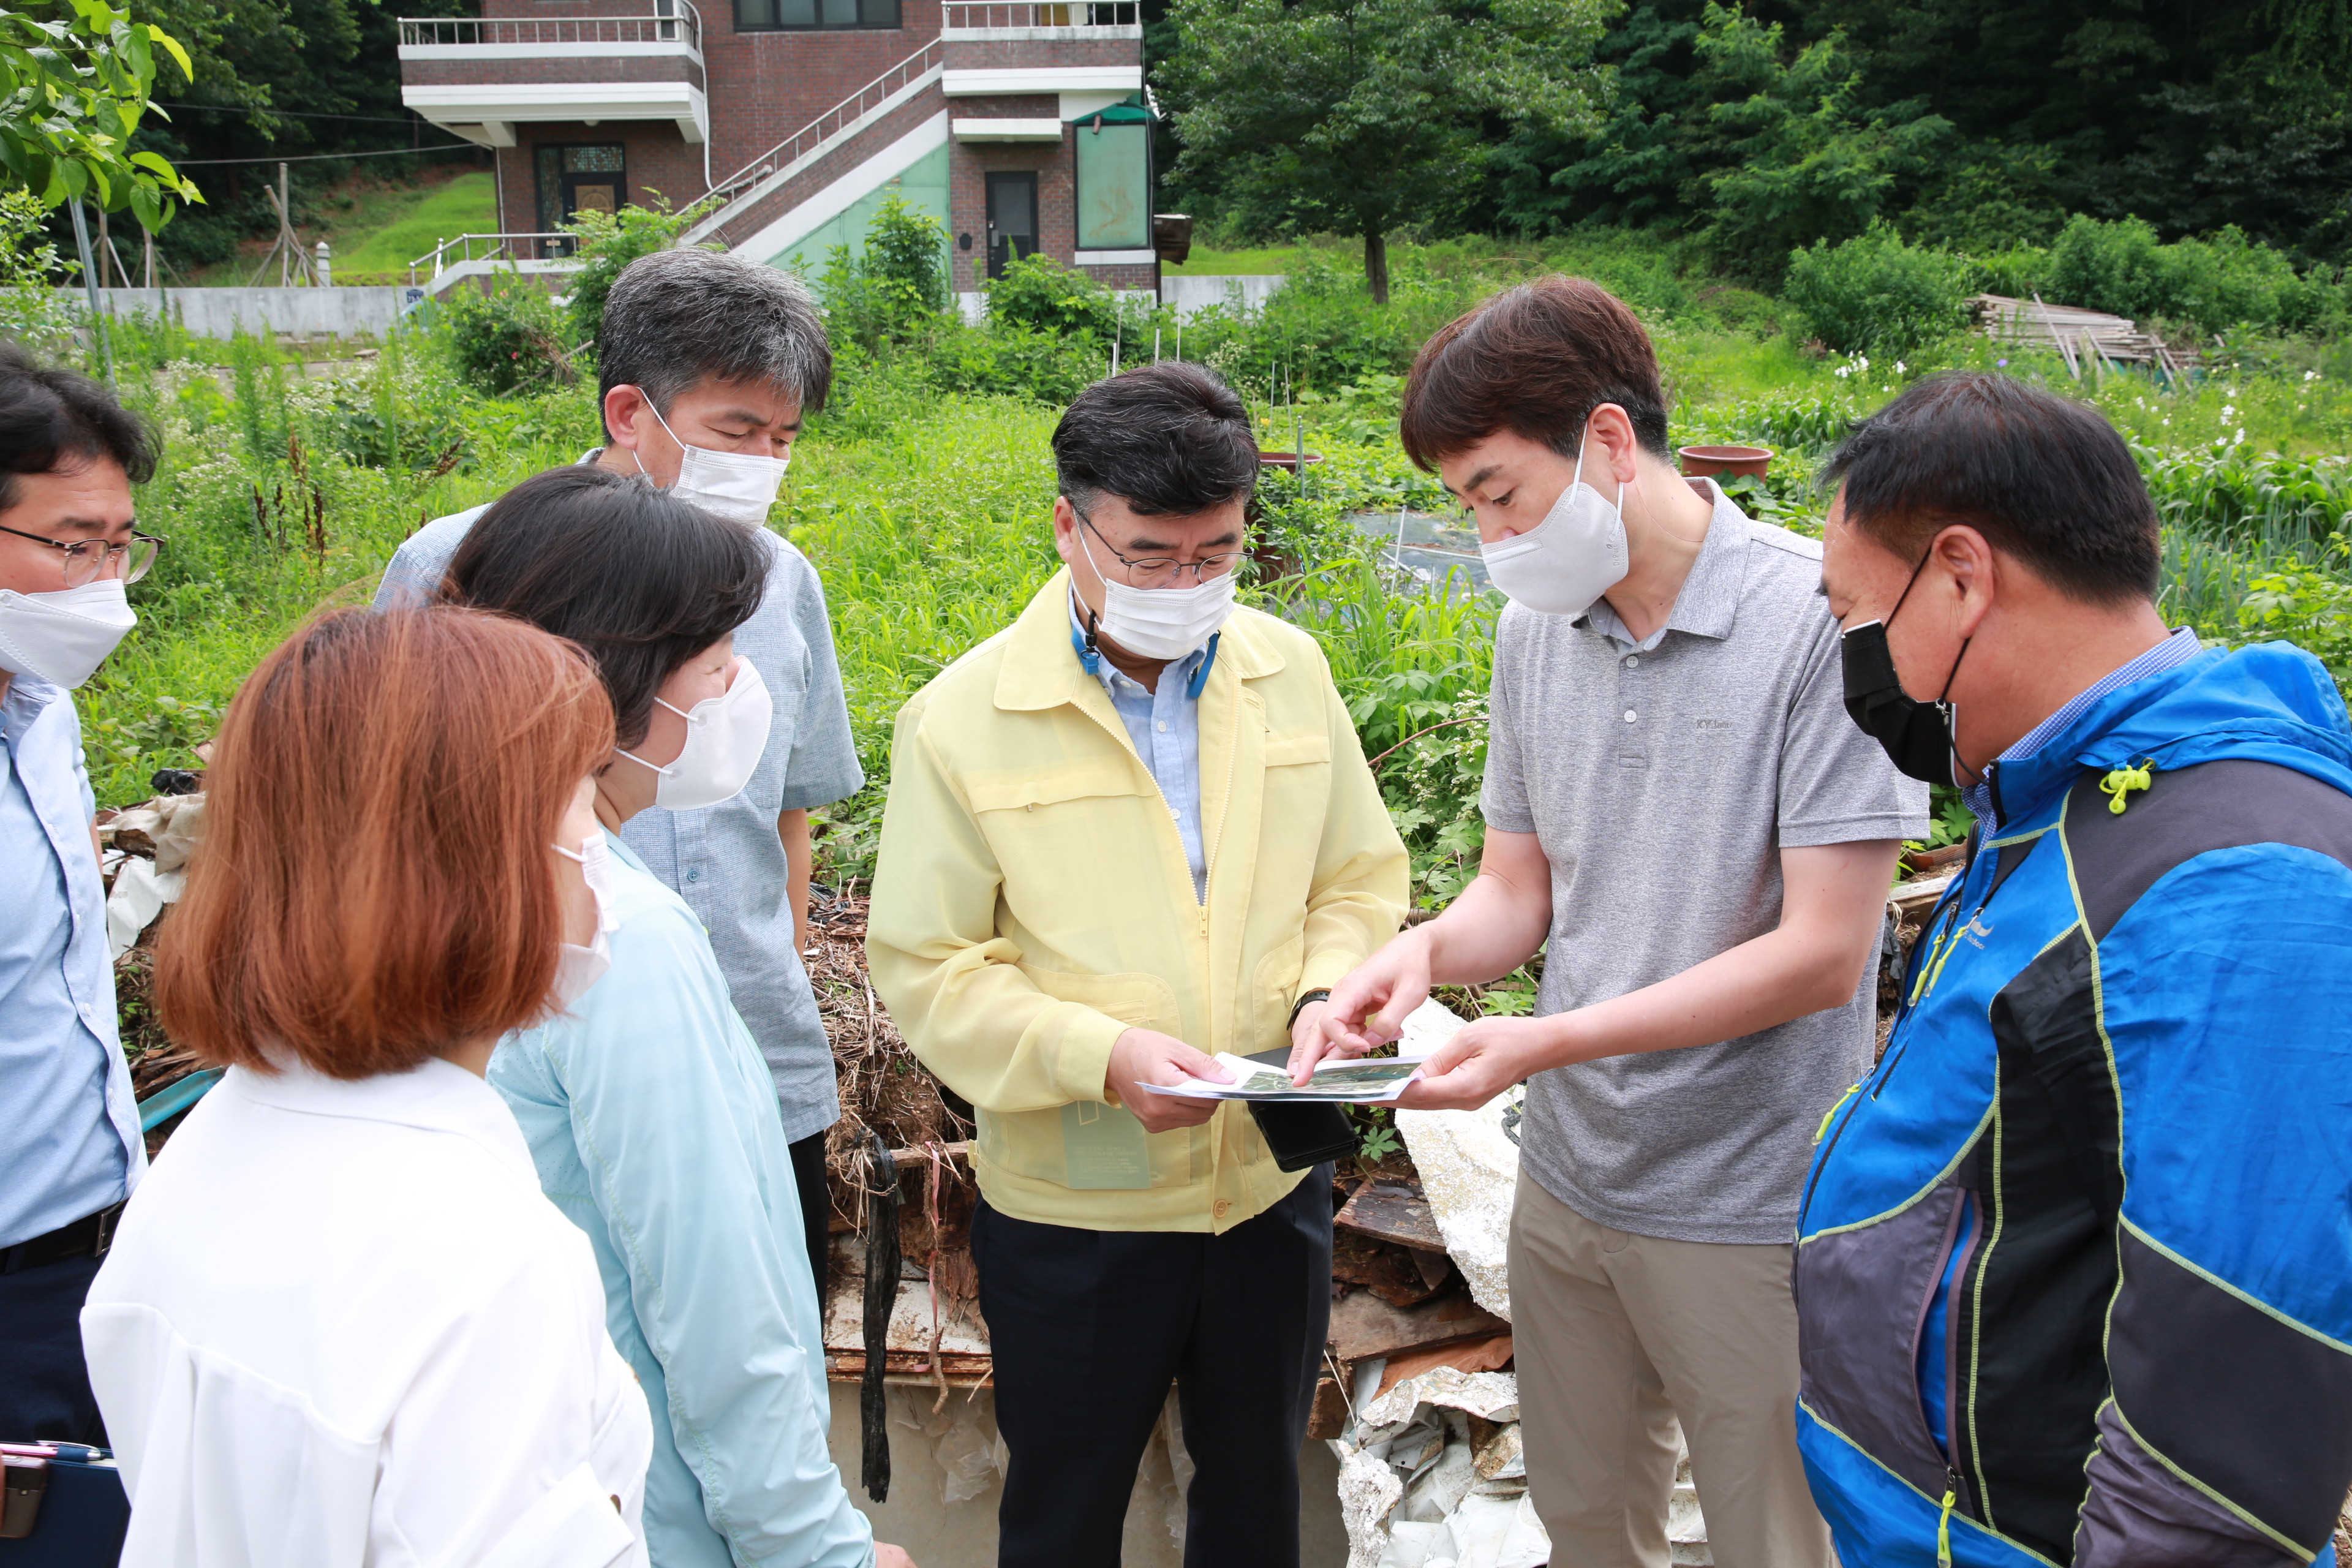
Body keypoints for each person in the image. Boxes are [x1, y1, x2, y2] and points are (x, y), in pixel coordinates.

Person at [1300, 277, 1926, 1568]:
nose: (1485, 531)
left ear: (1604, 441)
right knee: (1587, 1518)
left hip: (1749, 1190)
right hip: (1574, 1175)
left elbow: (1825, 954)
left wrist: (1547, 1040)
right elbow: (1517, 892)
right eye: (1465, 502)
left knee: (1776, 1532)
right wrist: (1418, 955)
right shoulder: (1540, 628)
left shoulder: (1816, 621)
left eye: (1495, 490)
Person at [1798, 372, 2352, 1566]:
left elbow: (2223, 1428)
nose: (1855, 663)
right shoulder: (2065, 797)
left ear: (1960, 575)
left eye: (1854, 613)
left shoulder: (2242, 881)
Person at [865, 363, 1408, 1568]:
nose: (1187, 583)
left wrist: (1331, 992)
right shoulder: (963, 720)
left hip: (1270, 1189)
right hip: (1078, 1208)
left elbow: (1358, 880)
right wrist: (1094, 1054)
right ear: (1070, 523)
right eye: (1153, 555)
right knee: (1063, 1509)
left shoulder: (1290, 672)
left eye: (1216, 553)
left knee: (1258, 1494)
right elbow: (929, 961)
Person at [80, 606, 655, 1564]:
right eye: (583, 793)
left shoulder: (213, 1148)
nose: (604, 838)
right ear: (470, 861)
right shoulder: (486, 1260)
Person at [443, 464, 911, 1568]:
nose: (741, 689)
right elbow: (714, 1307)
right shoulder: (616, 936)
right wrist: (816, 1548)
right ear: (610, 684)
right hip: (658, 1515)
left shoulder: (442, 881)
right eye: (718, 661)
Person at [377, 249, 862, 1291]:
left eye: (785, 438)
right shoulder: (462, 567)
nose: (765, 462)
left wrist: (783, 980)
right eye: (736, 431)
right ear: (629, 410)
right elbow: (388, 824)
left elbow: (788, 822)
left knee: (768, 1335)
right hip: (532, 1073)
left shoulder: (782, 583)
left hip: (757, 1063)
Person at [0, 344, 161, 1445]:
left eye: (119, 548)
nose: (101, 584)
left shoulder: (43, 714)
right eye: (70, 547)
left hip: (103, 1242)